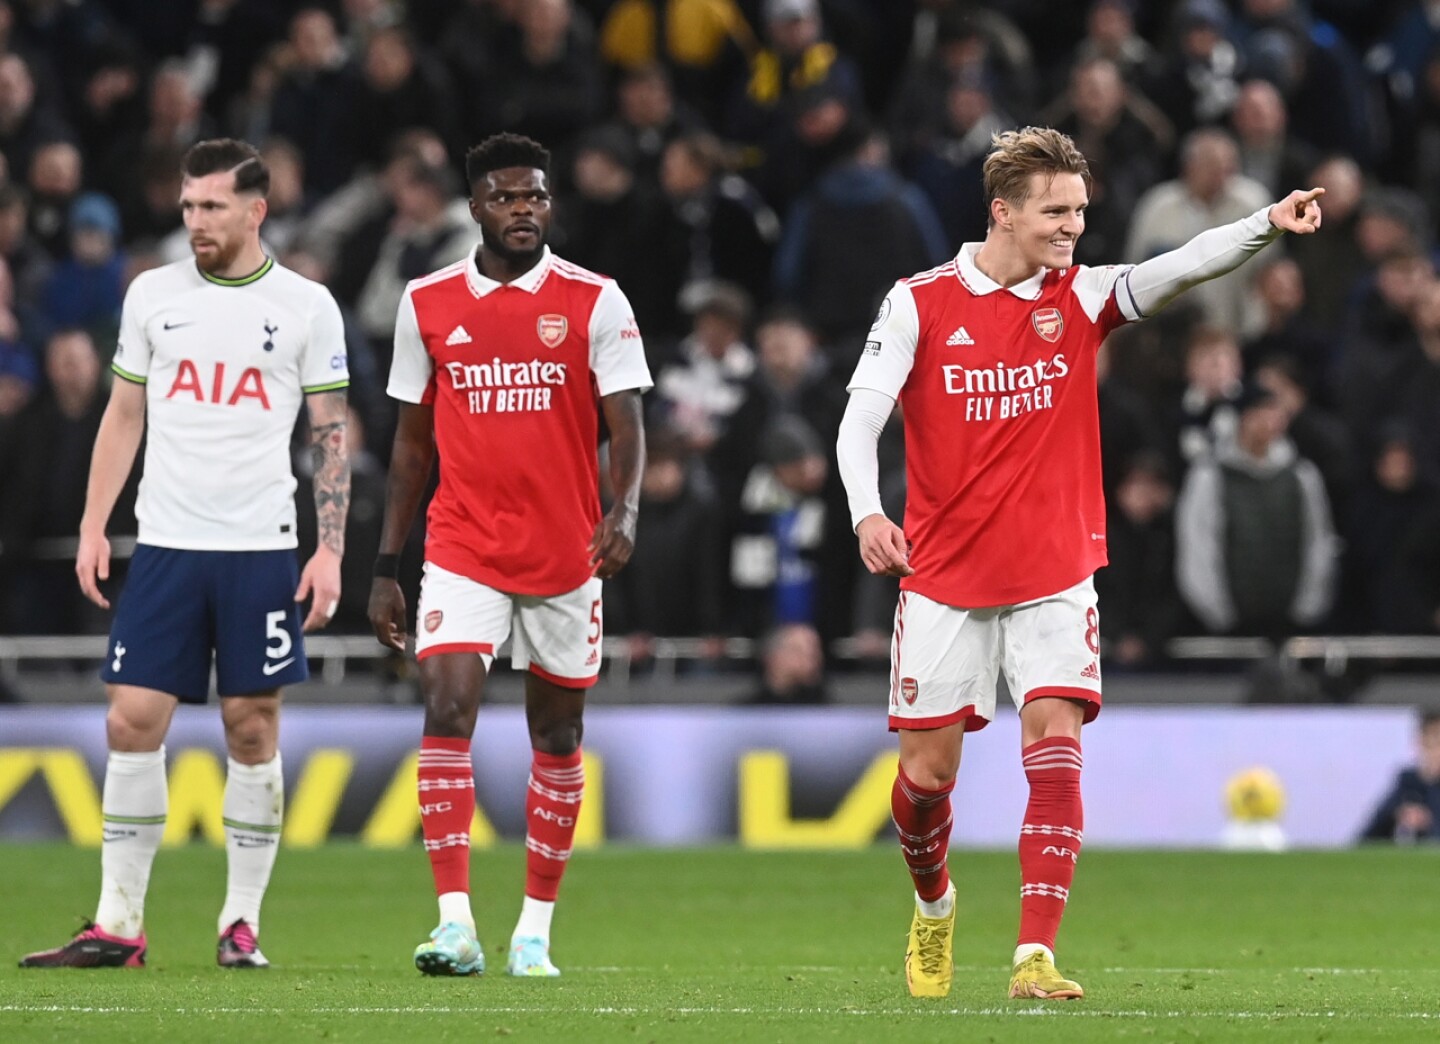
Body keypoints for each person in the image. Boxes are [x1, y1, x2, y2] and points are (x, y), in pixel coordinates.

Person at [835, 126, 1322, 1001]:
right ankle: (935, 905)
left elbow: (1183, 266)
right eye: (1057, 212)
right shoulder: (918, 303)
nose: (1072, 227)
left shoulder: (1086, 296)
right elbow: (861, 417)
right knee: (924, 782)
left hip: (1057, 570)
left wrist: (1265, 224)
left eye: (1081, 212)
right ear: (1005, 212)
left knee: (1055, 745)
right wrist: (868, 510)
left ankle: (1034, 955)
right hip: (944, 578)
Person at [19, 138, 351, 969]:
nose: (195, 221)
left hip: (260, 548)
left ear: (255, 211)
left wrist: (331, 548)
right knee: (131, 720)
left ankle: (240, 924)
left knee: (251, 727)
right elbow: (123, 414)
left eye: (211, 207)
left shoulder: (307, 306)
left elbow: (331, 432)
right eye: (188, 206)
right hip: (166, 543)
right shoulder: (151, 295)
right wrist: (97, 522)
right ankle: (118, 925)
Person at [368, 133, 650, 979]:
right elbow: (411, 447)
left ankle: (534, 930)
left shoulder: (595, 300)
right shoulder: (426, 302)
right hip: (461, 545)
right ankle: (454, 922)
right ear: (474, 208)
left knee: (557, 734)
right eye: (505, 197)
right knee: (446, 707)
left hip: (567, 552)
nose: (522, 210)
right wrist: (387, 565)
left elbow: (628, 423)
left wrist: (622, 509)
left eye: (535, 196)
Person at [1360, 711, 1440, 843]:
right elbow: (1366, 839)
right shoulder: (1408, 784)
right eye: (1436, 742)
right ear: (1421, 742)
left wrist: (1429, 824)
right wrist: (1396, 816)